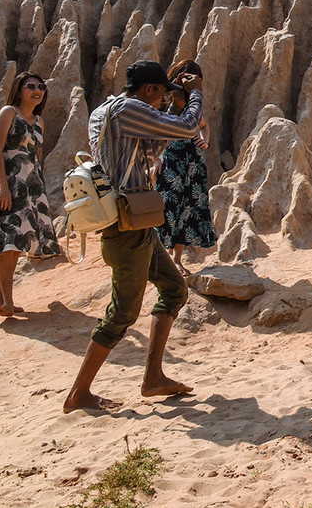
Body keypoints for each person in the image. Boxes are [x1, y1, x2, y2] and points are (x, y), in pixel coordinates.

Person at [62, 59, 205, 414]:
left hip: (136, 221)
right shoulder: (129, 109)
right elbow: (188, 128)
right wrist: (195, 94)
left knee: (174, 289)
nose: (161, 102)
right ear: (150, 89)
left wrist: (174, 106)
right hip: (126, 226)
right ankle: (79, 393)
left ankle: (153, 377)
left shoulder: (105, 111)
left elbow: (154, 145)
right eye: (161, 96)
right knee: (123, 312)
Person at [0, 71, 60, 317]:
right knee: (7, 239)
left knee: (18, 239)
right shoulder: (8, 113)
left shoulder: (39, 122)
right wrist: (3, 187)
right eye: (30, 86)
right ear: (19, 90)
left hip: (31, 186)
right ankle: (7, 302)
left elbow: (37, 156)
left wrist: (37, 189)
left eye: (41, 87)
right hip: (9, 183)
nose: (37, 90)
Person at [156, 59, 217, 276]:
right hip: (170, 159)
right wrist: (155, 159)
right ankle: (161, 258)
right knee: (166, 206)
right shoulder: (164, 102)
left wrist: (205, 141)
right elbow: (155, 136)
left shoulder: (193, 104)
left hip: (192, 161)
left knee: (187, 209)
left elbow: (204, 125)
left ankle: (176, 260)